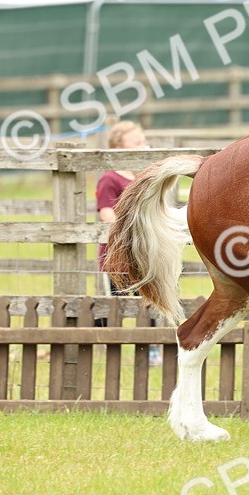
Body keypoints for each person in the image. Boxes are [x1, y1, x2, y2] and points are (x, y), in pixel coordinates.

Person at [96, 121, 161, 366]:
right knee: (117, 302)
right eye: (137, 143)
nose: (144, 147)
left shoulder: (143, 178)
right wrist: (130, 229)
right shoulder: (110, 179)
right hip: (118, 257)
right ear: (119, 149)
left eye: (144, 142)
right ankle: (102, 339)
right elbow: (106, 213)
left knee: (147, 299)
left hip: (143, 252)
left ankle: (151, 348)